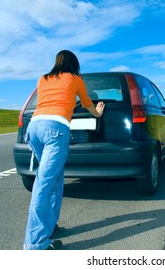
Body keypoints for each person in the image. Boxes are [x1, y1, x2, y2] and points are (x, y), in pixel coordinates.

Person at [23, 50, 105, 250]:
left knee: (56, 179)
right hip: (55, 131)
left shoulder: (43, 79)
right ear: (73, 64)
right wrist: (99, 113)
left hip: (34, 129)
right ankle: (35, 244)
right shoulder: (75, 79)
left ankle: (49, 226)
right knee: (44, 184)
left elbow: (48, 101)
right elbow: (86, 104)